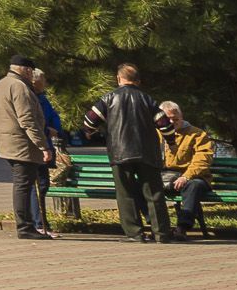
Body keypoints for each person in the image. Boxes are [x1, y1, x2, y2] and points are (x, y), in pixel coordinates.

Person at [87, 63, 171, 241]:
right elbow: (165, 125)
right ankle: (161, 233)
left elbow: (89, 121)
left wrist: (93, 133)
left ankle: (135, 233)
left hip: (120, 153)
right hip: (147, 153)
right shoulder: (148, 99)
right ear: (138, 81)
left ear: (119, 79)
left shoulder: (108, 98)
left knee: (125, 194)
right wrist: (171, 141)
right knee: (154, 193)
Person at [0, 56, 55, 239]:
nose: (32, 75)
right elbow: (27, 119)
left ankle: (26, 226)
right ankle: (25, 227)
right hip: (22, 145)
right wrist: (43, 146)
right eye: (31, 71)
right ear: (26, 70)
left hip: (7, 142)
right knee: (23, 185)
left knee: (22, 184)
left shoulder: (1, 85)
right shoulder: (19, 87)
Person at [157, 101, 216, 238]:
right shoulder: (155, 134)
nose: (172, 122)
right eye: (168, 119)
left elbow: (202, 159)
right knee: (137, 186)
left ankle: (182, 228)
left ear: (181, 116)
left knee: (193, 186)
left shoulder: (197, 134)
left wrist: (186, 176)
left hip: (193, 178)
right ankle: (158, 226)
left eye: (175, 119)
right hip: (165, 177)